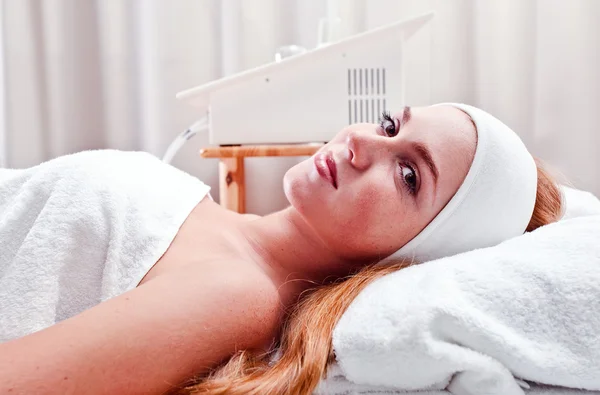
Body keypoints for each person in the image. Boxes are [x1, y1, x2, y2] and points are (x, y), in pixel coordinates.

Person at [0, 104, 562, 395]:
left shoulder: (237, 293)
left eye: (410, 175)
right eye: (391, 124)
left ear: (421, 250)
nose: (363, 142)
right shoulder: (225, 229)